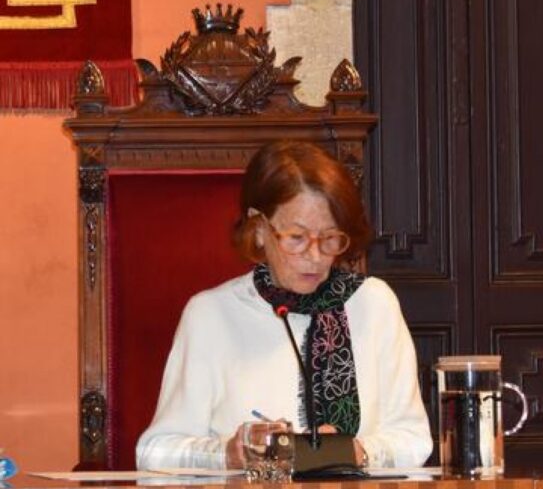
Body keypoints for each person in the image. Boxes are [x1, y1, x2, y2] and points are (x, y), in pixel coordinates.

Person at [136, 140, 432, 470]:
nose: (315, 256)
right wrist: (228, 454)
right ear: (259, 229)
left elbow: (414, 439)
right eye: (297, 237)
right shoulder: (210, 315)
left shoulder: (374, 304)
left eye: (330, 237)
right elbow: (155, 452)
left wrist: (356, 452)